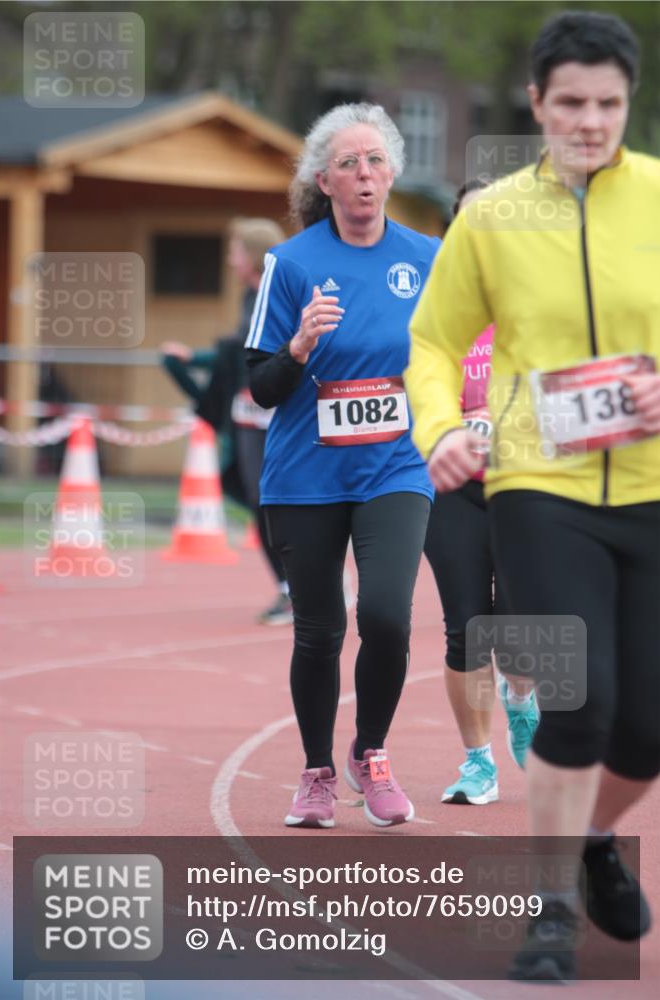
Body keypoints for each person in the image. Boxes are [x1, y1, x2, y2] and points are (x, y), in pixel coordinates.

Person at [406, 10, 659, 980]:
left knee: (647, 726)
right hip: (536, 483)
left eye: (607, 104)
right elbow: (432, 340)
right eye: (570, 104)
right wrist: (438, 430)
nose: (589, 122)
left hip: (652, 489)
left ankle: (592, 840)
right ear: (535, 103)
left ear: (626, 101)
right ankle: (549, 907)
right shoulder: (492, 215)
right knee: (579, 699)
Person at [245, 103, 439, 829]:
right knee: (319, 631)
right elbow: (259, 387)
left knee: (386, 616)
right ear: (323, 180)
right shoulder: (291, 264)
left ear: (393, 173)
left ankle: (372, 751)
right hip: (305, 474)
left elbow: (458, 354)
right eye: (349, 164)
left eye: (376, 161)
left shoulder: (426, 259)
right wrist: (296, 348)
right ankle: (318, 771)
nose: (364, 174)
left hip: (396, 467)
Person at [422, 179, 539, 808]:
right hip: (453, 490)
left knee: (520, 630)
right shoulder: (437, 310)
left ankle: (523, 702)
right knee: (465, 627)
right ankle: (477, 764)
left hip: (526, 491)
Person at [160, 217, 293, 625]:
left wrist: (198, 357)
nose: (230, 260)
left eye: (235, 251)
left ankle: (306, 581)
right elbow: (236, 353)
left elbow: (268, 352)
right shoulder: (245, 298)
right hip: (247, 417)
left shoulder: (279, 296)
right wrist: (193, 358)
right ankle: (291, 586)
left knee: (277, 504)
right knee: (255, 498)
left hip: (279, 416)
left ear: (252, 256)